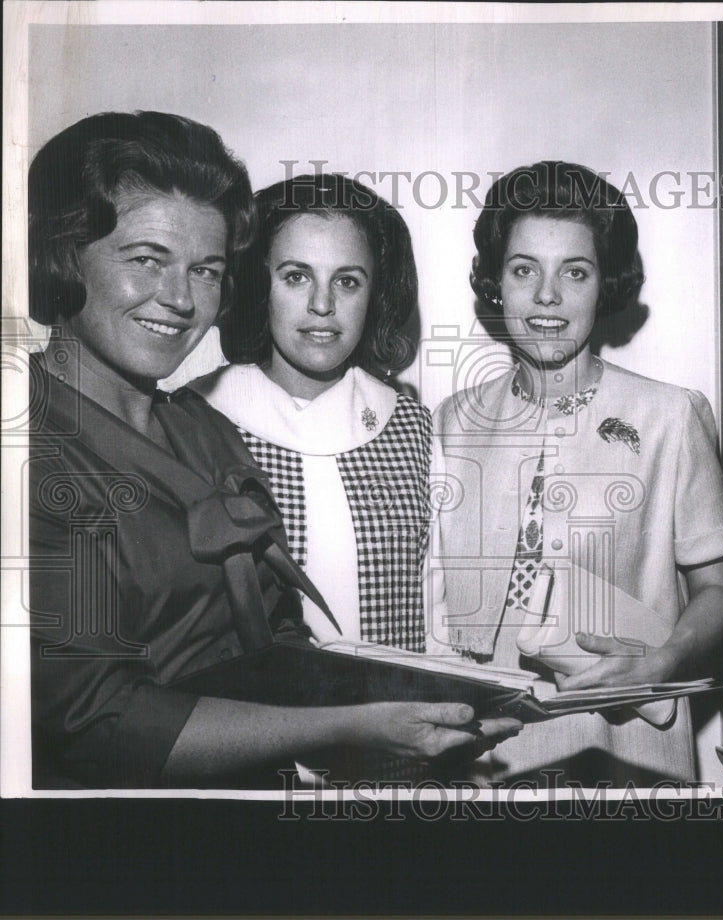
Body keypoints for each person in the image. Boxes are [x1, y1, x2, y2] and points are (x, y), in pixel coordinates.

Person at [27, 111, 520, 789]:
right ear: (62, 255)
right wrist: (352, 730)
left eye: (205, 270)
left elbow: (276, 640)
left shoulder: (202, 430)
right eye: (147, 259)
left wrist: (431, 713)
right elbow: (97, 723)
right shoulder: (28, 453)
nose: (178, 299)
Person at [429, 161, 723, 785]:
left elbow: (722, 593)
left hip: (628, 756)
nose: (547, 296)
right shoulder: (450, 422)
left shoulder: (669, 416)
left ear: (607, 285)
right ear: (495, 283)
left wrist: (664, 661)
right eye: (524, 271)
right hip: (485, 760)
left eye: (575, 271)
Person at [192, 173, 428, 653]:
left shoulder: (415, 428)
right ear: (261, 286)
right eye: (296, 276)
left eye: (347, 281)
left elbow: (437, 612)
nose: (323, 305)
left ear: (375, 294)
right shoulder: (197, 422)